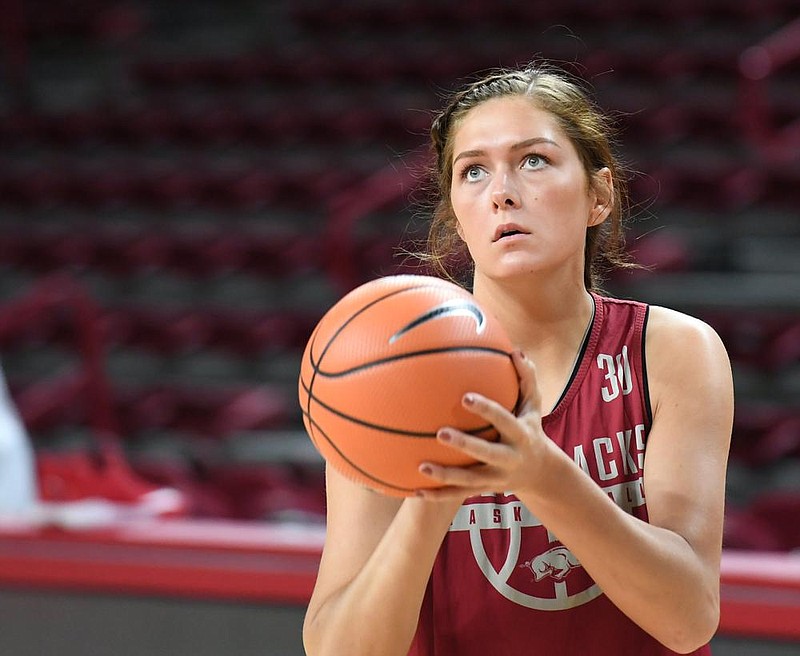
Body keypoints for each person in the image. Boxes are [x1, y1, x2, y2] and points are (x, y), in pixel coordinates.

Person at [302, 62, 734, 655]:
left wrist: (542, 475)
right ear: (455, 213)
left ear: (599, 195)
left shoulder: (672, 351)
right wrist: (434, 499)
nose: (502, 191)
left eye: (534, 160)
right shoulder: (384, 368)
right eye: (473, 170)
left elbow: (690, 619)